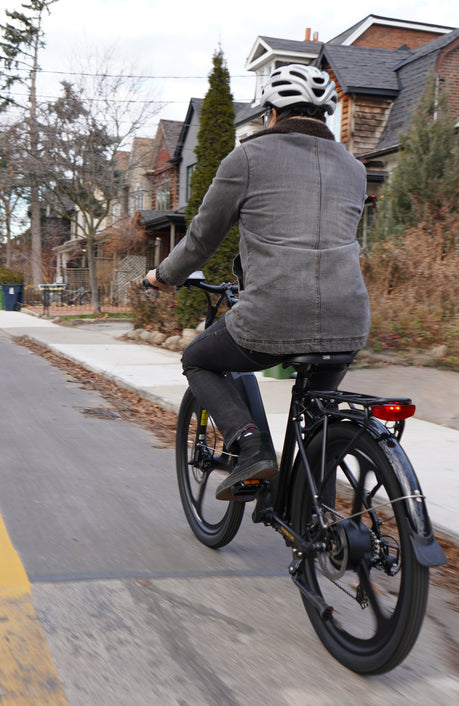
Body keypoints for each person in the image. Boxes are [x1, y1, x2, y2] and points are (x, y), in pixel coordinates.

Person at [144, 64, 370, 502]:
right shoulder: (355, 169)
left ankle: (250, 446)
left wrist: (163, 276)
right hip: (349, 319)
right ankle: (316, 532)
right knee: (318, 423)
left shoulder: (247, 157)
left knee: (198, 359)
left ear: (272, 113)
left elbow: (200, 239)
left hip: (273, 316)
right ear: (324, 114)